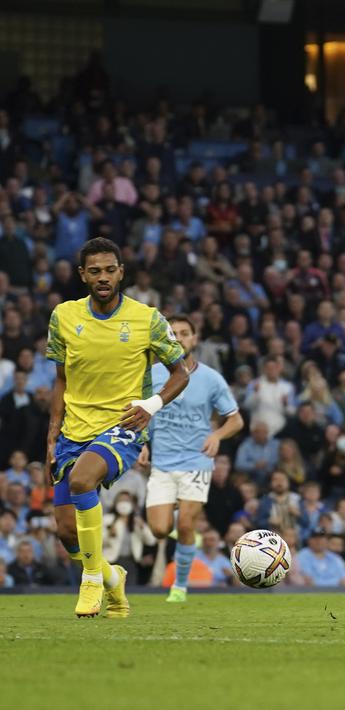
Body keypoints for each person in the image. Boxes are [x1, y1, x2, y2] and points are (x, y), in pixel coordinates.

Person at [45, 237, 188, 617]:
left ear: (121, 272)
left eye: (110, 270)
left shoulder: (148, 319)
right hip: (74, 429)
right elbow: (60, 379)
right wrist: (52, 433)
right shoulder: (64, 317)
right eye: (95, 271)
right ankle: (112, 578)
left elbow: (181, 372)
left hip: (123, 425)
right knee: (66, 531)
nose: (103, 277)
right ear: (82, 275)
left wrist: (152, 405)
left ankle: (91, 581)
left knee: (80, 481)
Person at [140, 313, 243, 603]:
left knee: (186, 525)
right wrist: (142, 443)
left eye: (184, 333)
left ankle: (180, 587)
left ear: (194, 339)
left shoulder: (211, 378)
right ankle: (183, 516)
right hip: (162, 464)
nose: (178, 338)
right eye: (172, 333)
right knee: (160, 529)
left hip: (196, 462)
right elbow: (142, 414)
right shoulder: (153, 375)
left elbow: (235, 420)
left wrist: (216, 436)